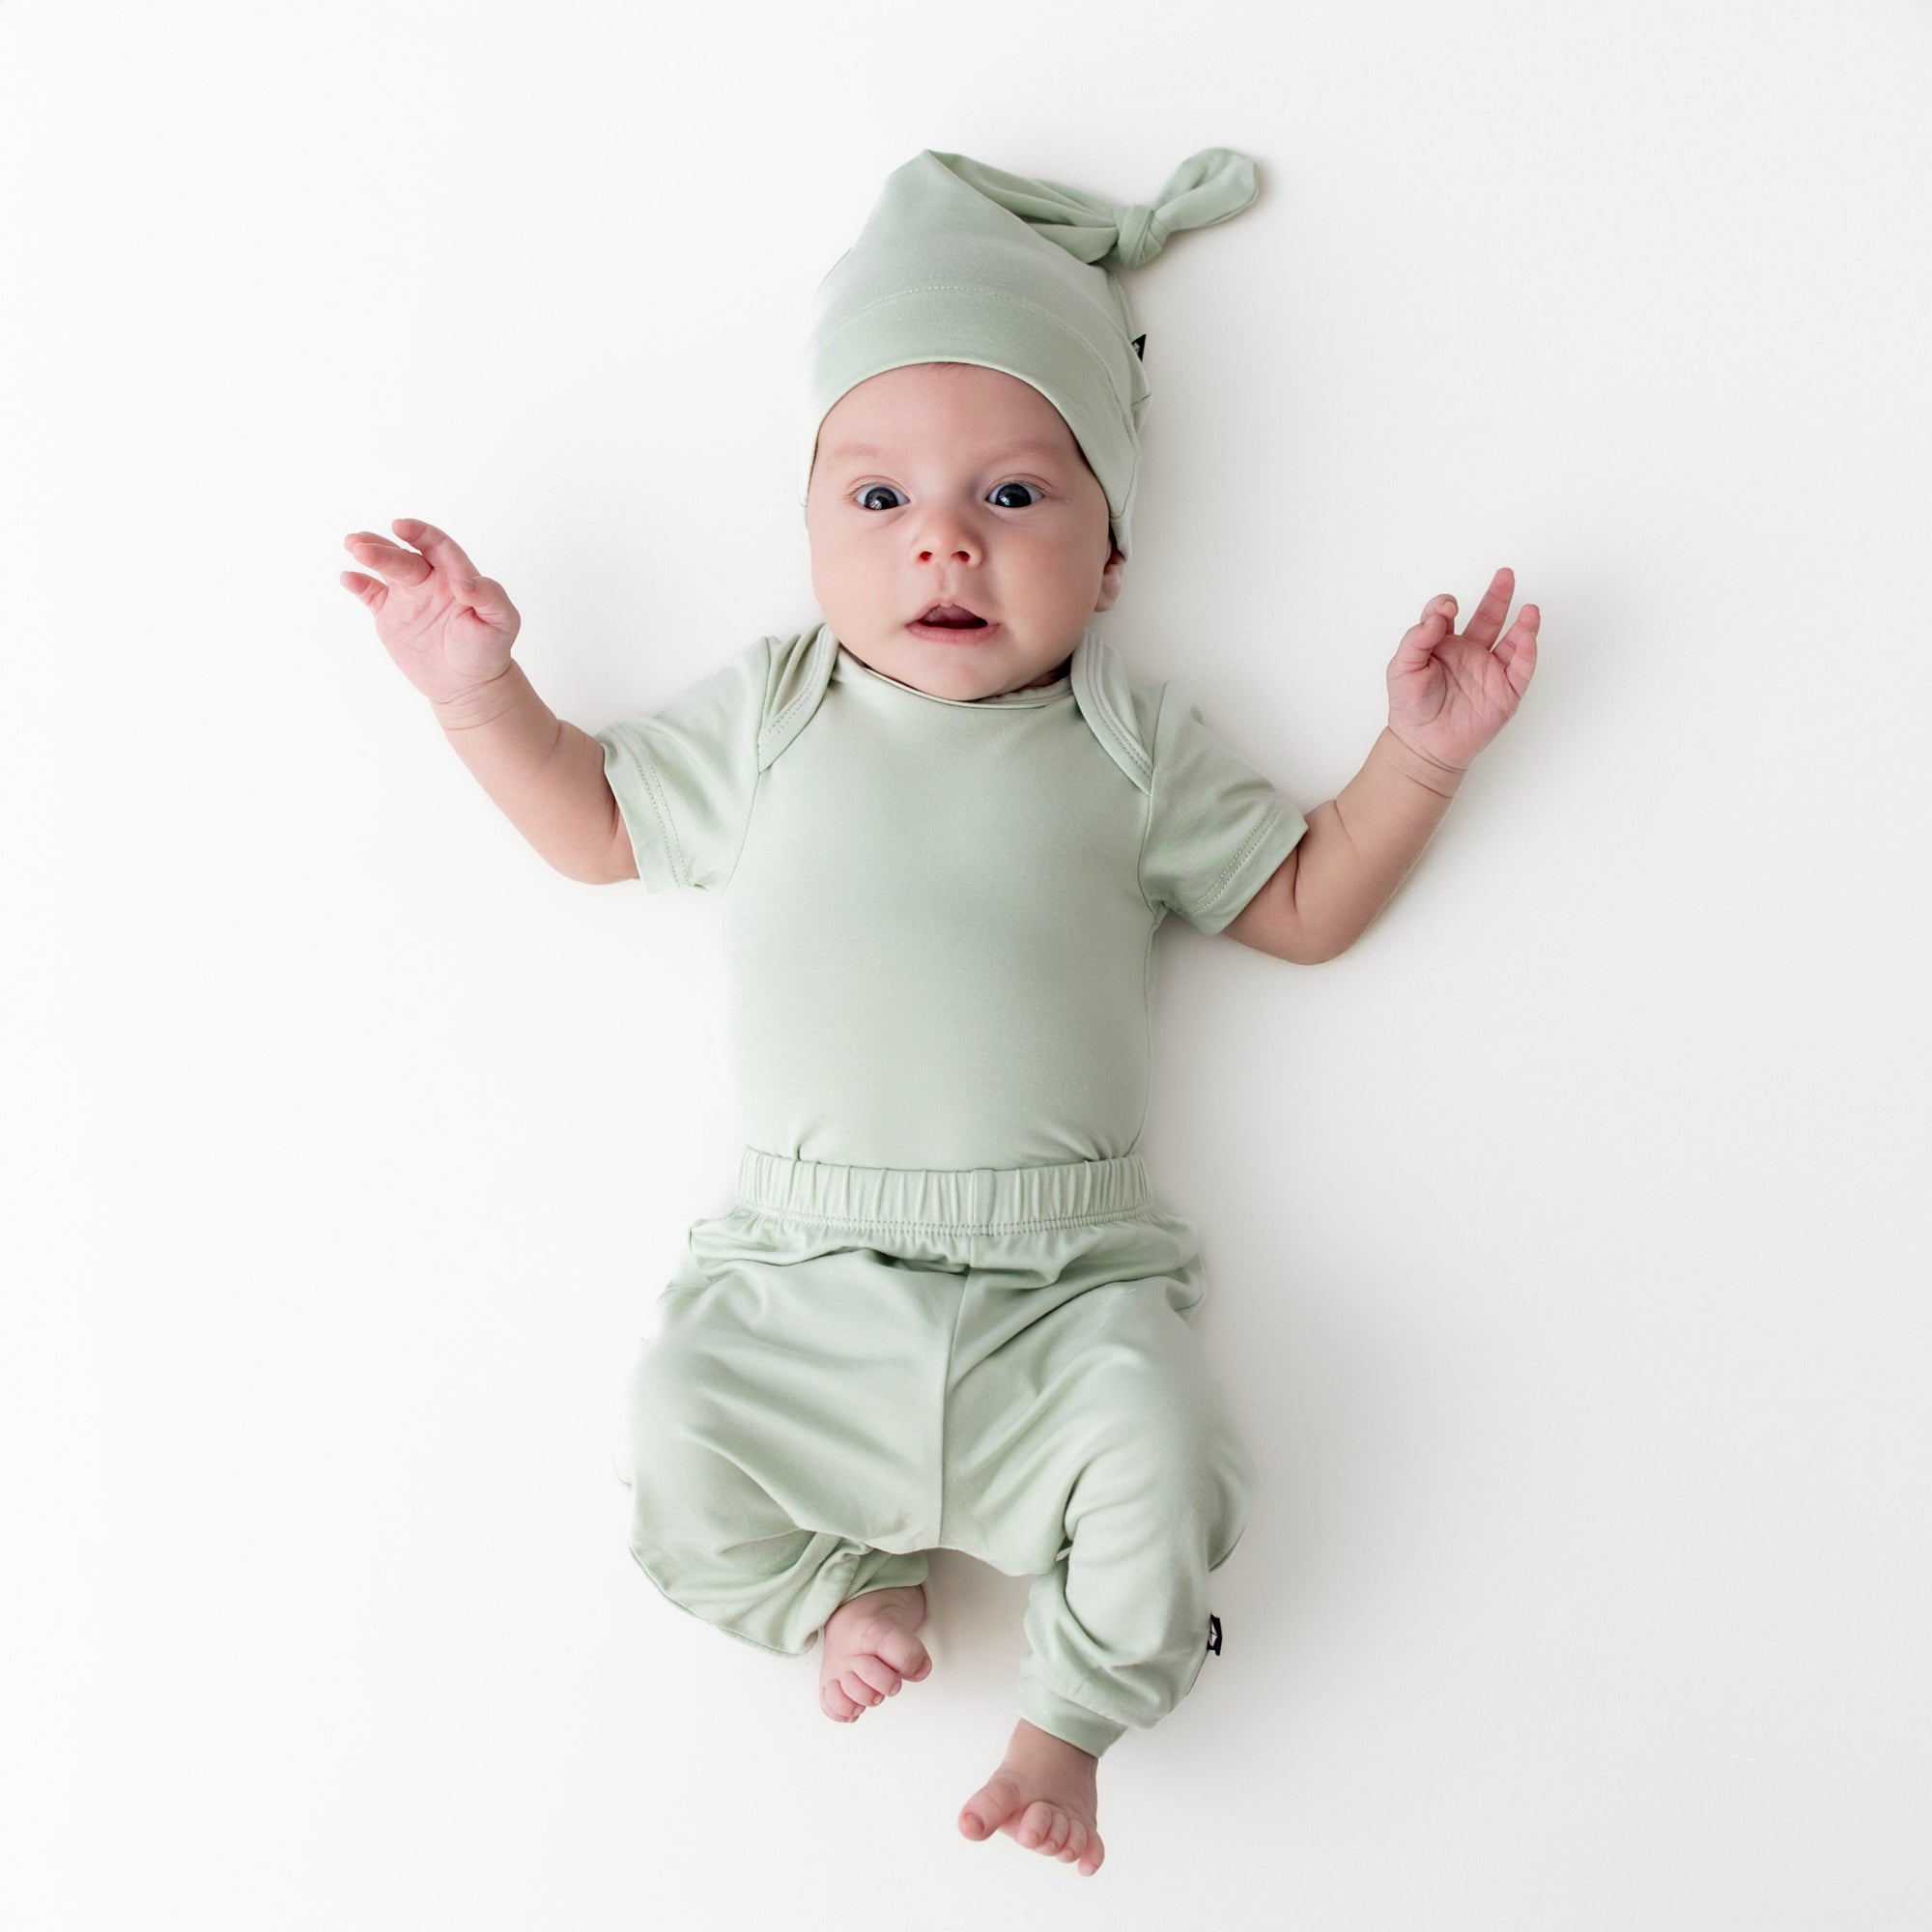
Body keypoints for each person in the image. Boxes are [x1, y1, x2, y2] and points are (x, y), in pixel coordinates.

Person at [338, 146, 1539, 1880]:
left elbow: (1298, 904)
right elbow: (598, 829)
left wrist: (1417, 758)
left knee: (1170, 1453)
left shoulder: (1129, 744)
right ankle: (837, 1594)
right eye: (880, 500)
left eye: (1018, 499)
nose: (947, 543)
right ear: (812, 528)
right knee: (678, 1427)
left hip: (1069, 1297)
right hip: (804, 1282)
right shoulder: (773, 714)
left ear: (1113, 554)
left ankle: (1071, 1726)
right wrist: (481, 695)